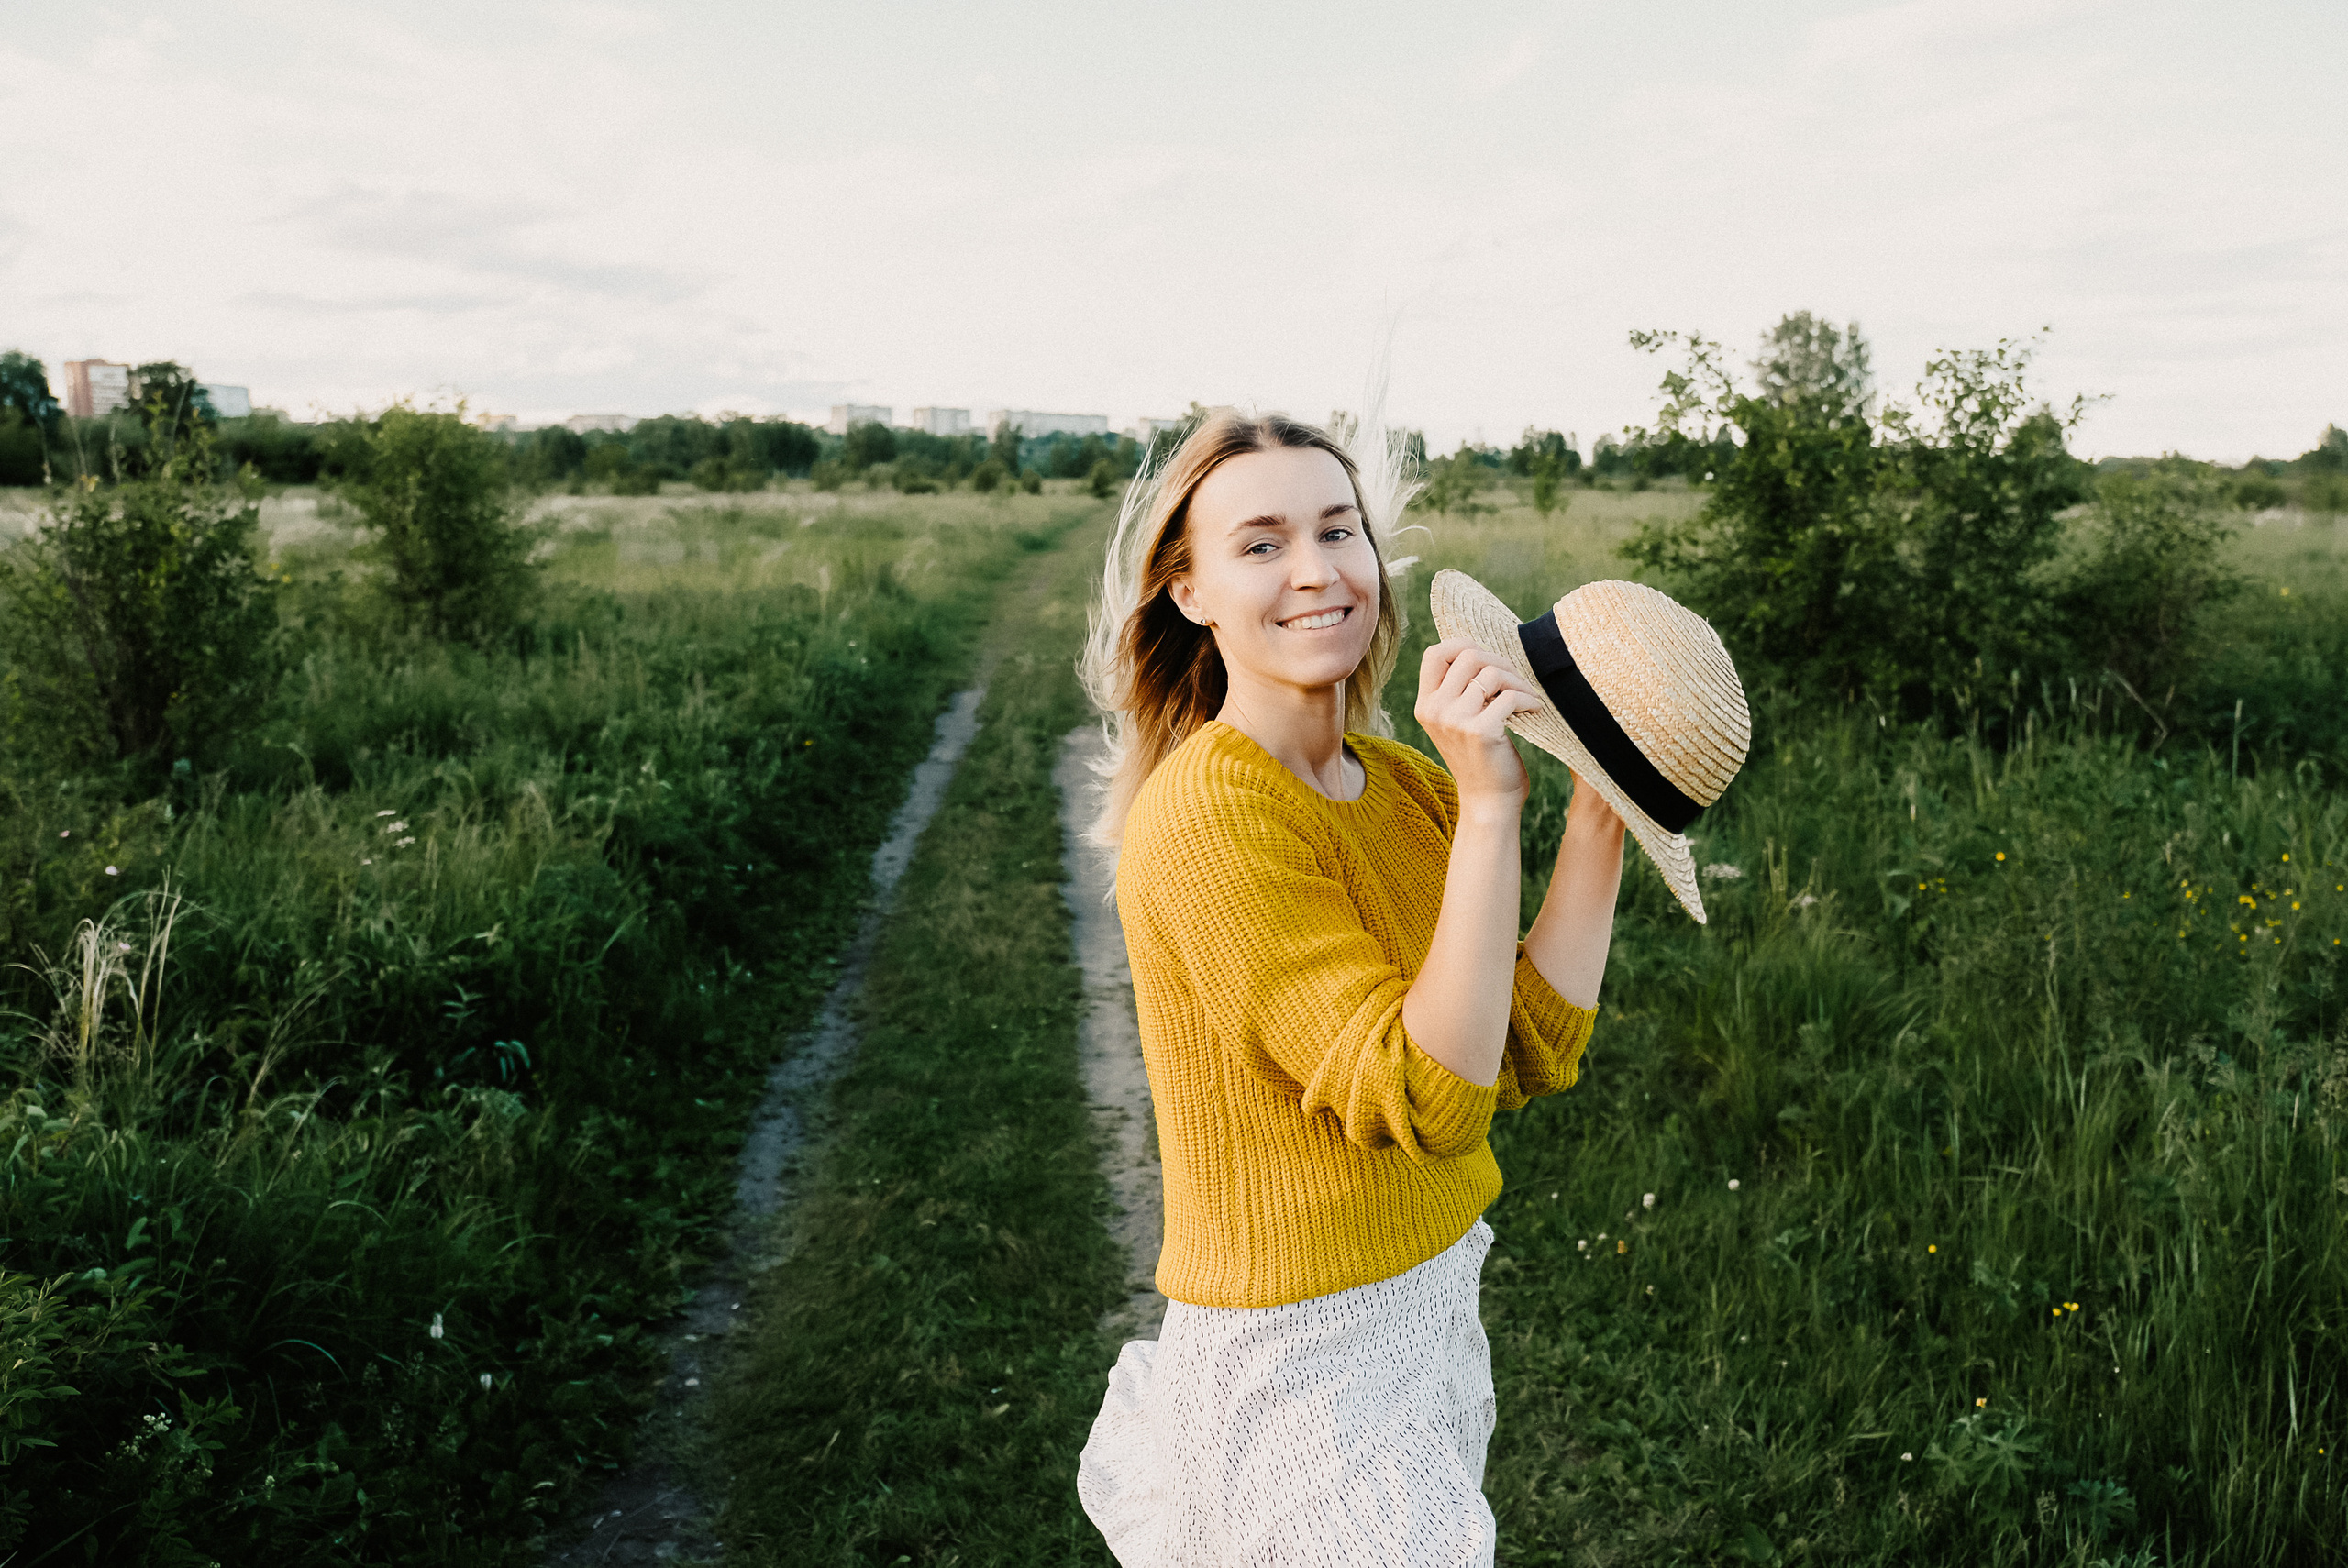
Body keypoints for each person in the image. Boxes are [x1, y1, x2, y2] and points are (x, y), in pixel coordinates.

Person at [1071, 408, 1630, 1565]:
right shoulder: (1210, 814)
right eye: (1261, 544)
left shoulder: (1403, 785)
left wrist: (1601, 806)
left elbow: (1522, 1048)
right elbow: (1427, 1096)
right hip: (1302, 1361)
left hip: (1430, 1311)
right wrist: (1493, 810)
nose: (1317, 571)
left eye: (1339, 530)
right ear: (1189, 591)